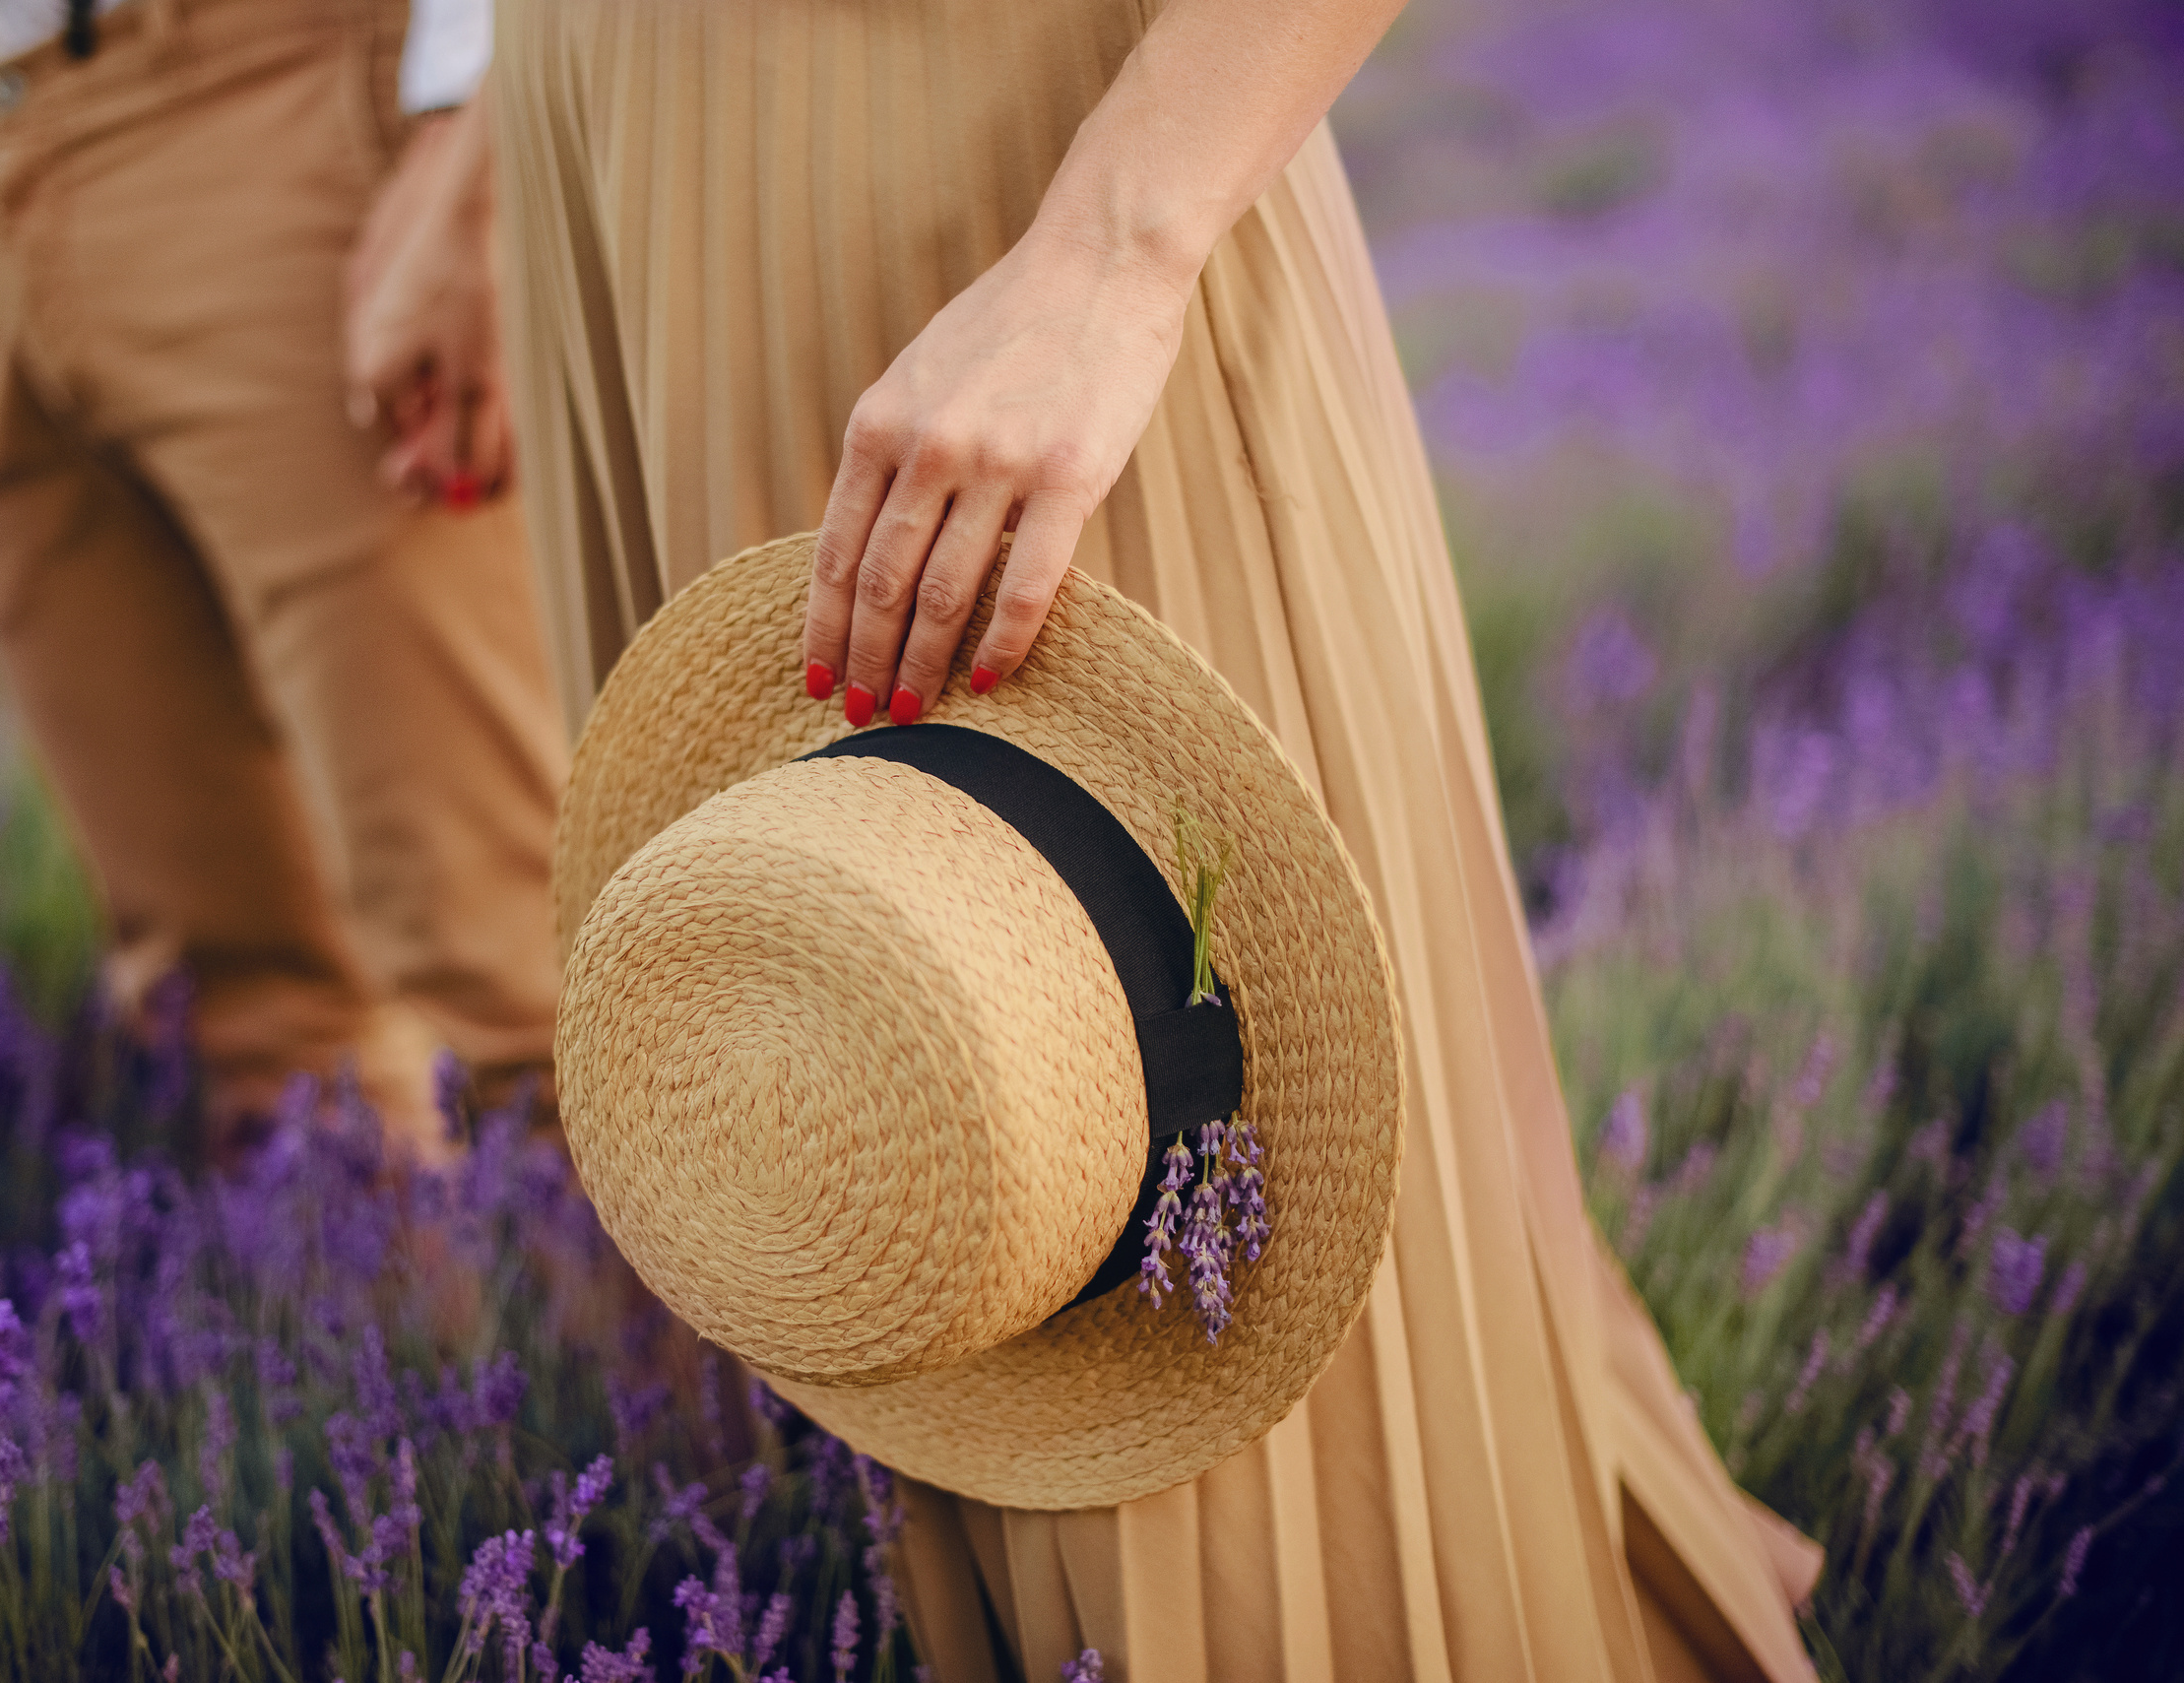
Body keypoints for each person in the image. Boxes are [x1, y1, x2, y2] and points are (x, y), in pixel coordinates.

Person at [354, 0, 1825, 1675]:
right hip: (610, 148)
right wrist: (483, 136)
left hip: (990, 154)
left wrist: (1116, 249)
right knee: (882, 1154)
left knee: (1188, 1232)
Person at [0, 0, 567, 1161]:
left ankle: (657, 1279)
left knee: (523, 971)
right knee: (244, 1031)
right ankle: (388, 1282)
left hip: (266, 100)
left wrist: (474, 123)